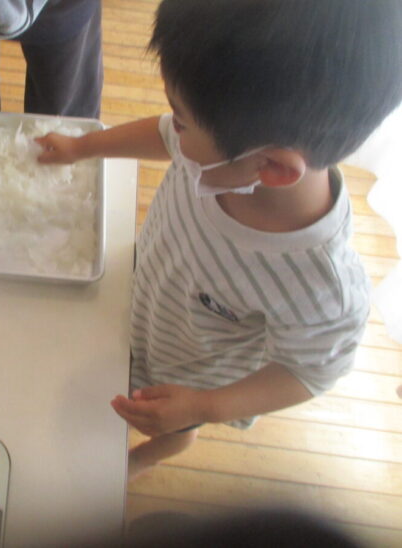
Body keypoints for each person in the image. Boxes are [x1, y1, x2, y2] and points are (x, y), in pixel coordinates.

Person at [36, 0, 402, 478]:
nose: (174, 128)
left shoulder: (320, 286)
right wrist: (83, 147)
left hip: (189, 371)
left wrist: (203, 406)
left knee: (172, 424)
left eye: (182, 120)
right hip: (149, 292)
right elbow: (165, 135)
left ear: (271, 167)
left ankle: (152, 454)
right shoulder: (231, 150)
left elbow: (311, 370)